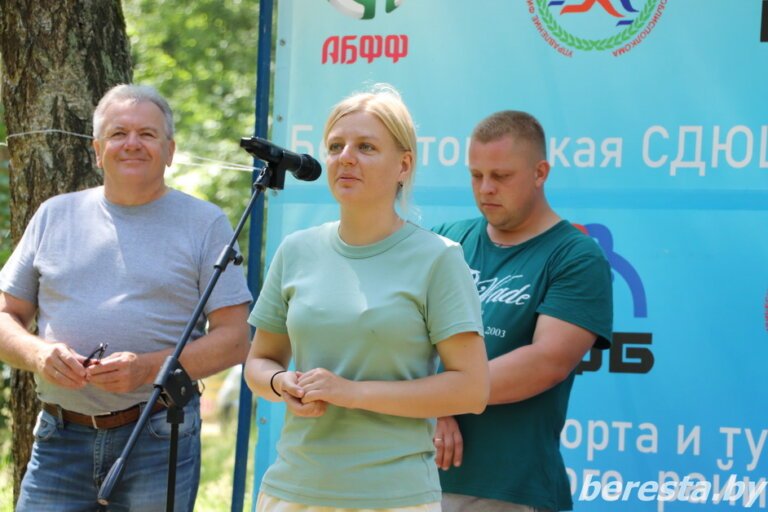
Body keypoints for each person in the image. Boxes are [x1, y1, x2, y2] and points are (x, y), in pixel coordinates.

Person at [0, 84, 252, 511]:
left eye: (147, 134)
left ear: (170, 151)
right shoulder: (54, 215)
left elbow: (235, 338)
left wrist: (148, 370)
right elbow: (6, 314)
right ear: (97, 150)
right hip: (59, 438)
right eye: (118, 133)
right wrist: (39, 355)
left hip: (158, 434)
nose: (132, 143)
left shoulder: (205, 223)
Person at [244, 84, 490, 511]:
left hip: (394, 497)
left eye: (366, 147)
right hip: (292, 491)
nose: (346, 157)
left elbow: (471, 389)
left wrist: (351, 392)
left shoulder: (438, 258)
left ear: (404, 165)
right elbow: (258, 364)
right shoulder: (296, 250)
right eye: (335, 146)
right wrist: (281, 384)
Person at [433, 110, 613, 512]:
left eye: (501, 176)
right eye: (476, 175)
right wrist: (430, 408)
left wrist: (434, 400)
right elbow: (400, 337)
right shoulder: (445, 240)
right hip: (413, 477)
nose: (486, 188)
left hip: (509, 488)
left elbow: (545, 362)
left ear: (540, 173)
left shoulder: (576, 256)